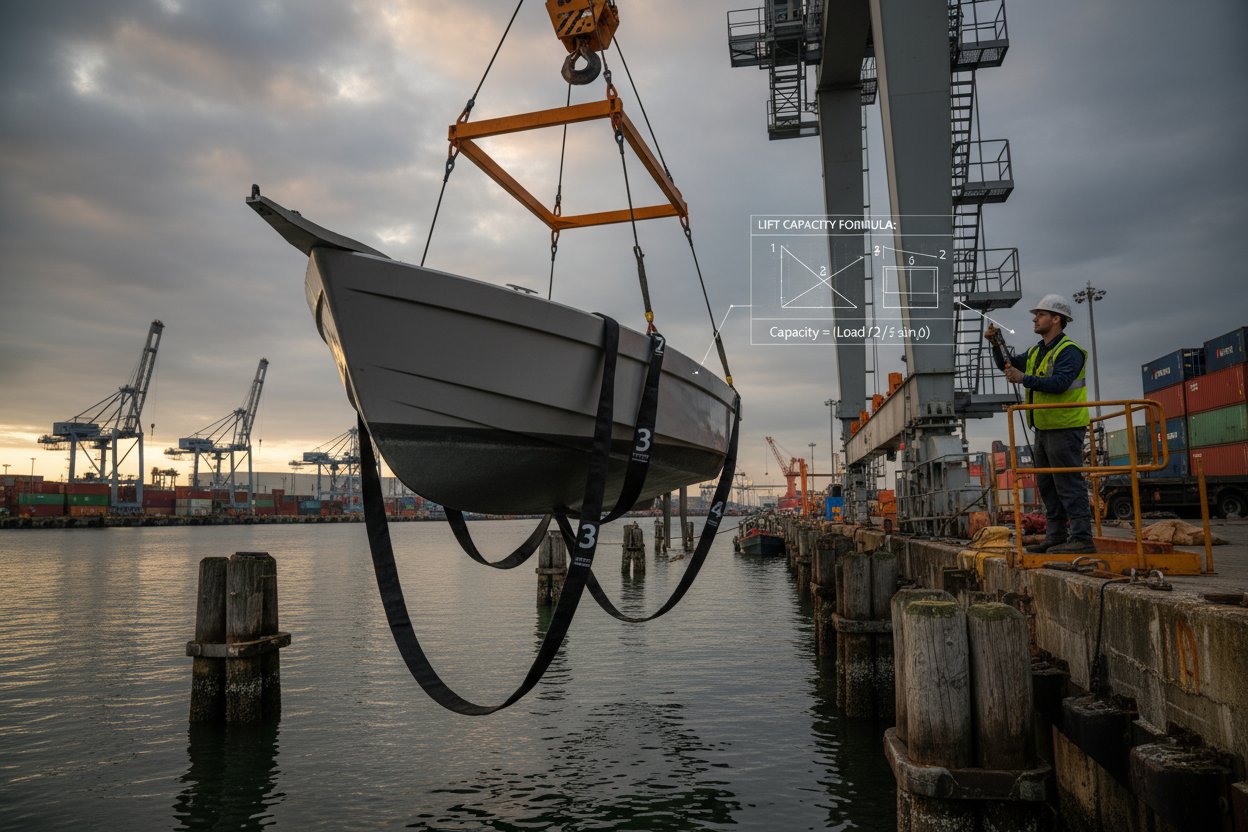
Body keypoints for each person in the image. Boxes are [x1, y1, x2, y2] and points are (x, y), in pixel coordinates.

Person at [986, 294, 1093, 554]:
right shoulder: (1037, 350)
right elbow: (1009, 364)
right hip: (1044, 428)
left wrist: (1023, 378)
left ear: (1056, 319)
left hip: (1065, 426)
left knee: (1068, 483)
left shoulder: (1069, 351)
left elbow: (1060, 383)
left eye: (1041, 314)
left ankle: (1082, 538)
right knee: (1047, 485)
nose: (1035, 319)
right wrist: (996, 344)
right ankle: (1056, 536)